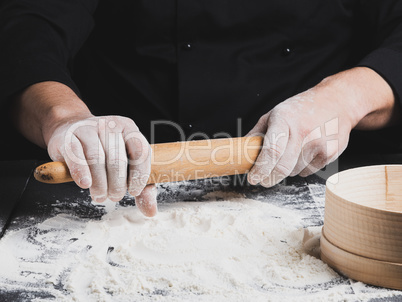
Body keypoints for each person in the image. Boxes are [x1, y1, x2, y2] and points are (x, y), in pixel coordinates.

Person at [1, 1, 401, 217]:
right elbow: (28, 26)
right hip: (111, 178)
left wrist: (343, 96)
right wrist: (65, 119)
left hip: (313, 177)